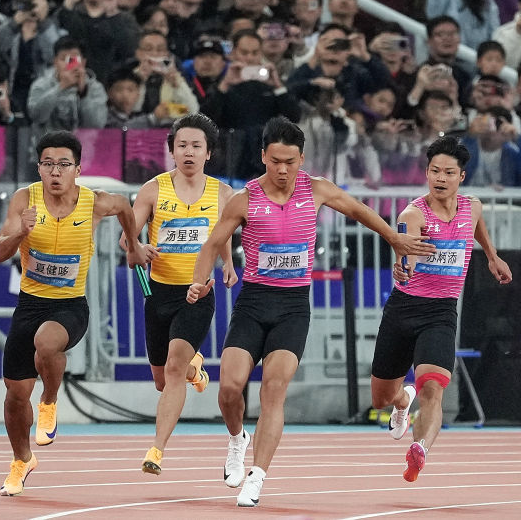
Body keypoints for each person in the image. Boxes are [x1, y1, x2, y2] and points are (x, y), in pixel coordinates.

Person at [186, 116, 434, 507]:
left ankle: (257, 476)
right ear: (263, 156)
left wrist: (393, 238)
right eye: (275, 161)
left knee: (273, 390)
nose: (282, 170)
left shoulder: (316, 189)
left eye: (290, 161)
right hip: (253, 304)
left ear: (302, 159)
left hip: (293, 308)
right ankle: (237, 439)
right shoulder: (245, 199)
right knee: (230, 390)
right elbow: (212, 243)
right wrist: (199, 282)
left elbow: (358, 210)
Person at [0, 130, 149, 496]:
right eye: (48, 164)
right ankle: (21, 460)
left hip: (69, 306)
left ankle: (49, 400)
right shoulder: (25, 200)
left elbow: (125, 206)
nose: (55, 171)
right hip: (29, 304)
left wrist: (133, 245)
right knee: (15, 396)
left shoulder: (94, 203)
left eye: (63, 164)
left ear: (77, 169)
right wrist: (21, 234)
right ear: (39, 168)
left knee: (46, 343)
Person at [375, 135, 512, 483]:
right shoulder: (413, 214)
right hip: (403, 310)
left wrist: (492, 256)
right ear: (426, 172)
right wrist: (403, 267)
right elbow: (405, 253)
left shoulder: (472, 207)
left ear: (461, 176)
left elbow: (476, 227)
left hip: (441, 313)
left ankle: (420, 448)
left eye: (448, 172)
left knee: (433, 389)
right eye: (434, 171)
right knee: (381, 398)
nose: (440, 178)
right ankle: (402, 402)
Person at [118, 114, 237, 476]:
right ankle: (194, 367)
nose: (188, 152)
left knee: (172, 369)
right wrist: (138, 248)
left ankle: (156, 449)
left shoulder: (223, 194)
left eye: (196, 146)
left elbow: (221, 235)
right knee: (162, 379)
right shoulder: (153, 190)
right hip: (158, 293)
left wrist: (229, 264)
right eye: (182, 145)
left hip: (198, 292)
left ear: (208, 153)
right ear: (171, 150)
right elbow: (127, 238)